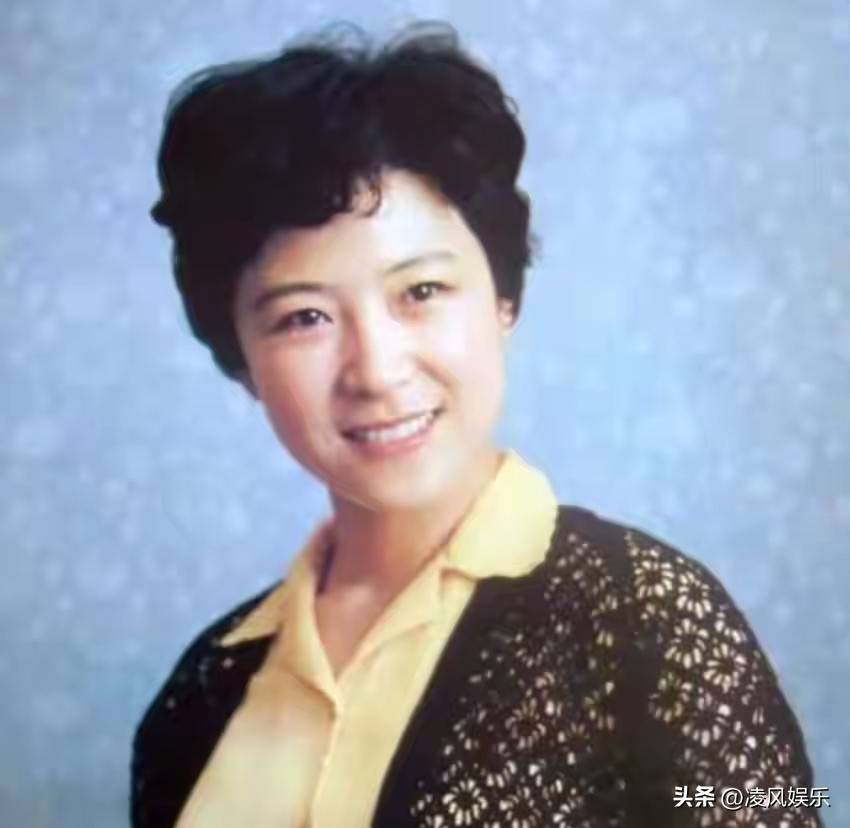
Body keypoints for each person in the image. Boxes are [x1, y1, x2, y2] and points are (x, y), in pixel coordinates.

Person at [131, 22, 822, 828]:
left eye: (421, 292)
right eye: (305, 317)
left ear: (504, 300)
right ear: (242, 360)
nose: (376, 370)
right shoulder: (200, 693)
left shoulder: (650, 616)